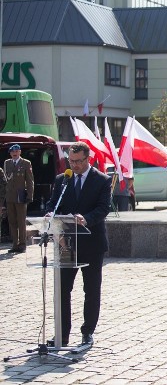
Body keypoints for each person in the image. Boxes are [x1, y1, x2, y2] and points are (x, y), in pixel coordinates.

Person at [45, 141, 111, 347]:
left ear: (88, 159)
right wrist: (50, 214)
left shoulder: (102, 180)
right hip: (66, 243)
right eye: (71, 161)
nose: (74, 165)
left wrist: (86, 218)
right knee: (62, 289)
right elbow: (53, 204)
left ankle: (87, 332)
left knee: (91, 289)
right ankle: (62, 334)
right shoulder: (62, 179)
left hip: (91, 243)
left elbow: (103, 208)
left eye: (78, 162)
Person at [4, 144, 34, 253]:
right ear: (10, 153)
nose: (14, 153)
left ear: (20, 152)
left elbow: (30, 181)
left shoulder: (26, 163)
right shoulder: (7, 163)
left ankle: (22, 244)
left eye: (16, 151)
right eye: (12, 152)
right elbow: (5, 181)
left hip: (20, 196)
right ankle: (14, 244)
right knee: (11, 221)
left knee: (21, 221)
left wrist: (30, 195)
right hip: (10, 196)